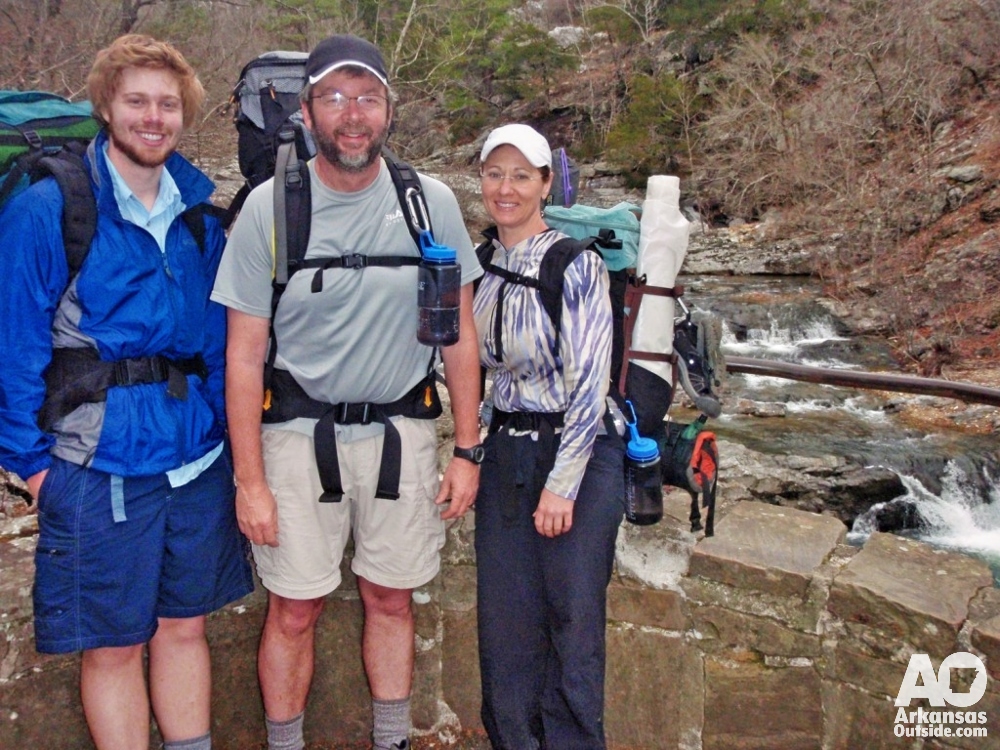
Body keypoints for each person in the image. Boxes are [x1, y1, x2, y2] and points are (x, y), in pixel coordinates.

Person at [211, 34, 483, 750]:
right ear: (307, 111)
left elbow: (458, 336)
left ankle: (391, 739)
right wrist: (250, 482)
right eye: (334, 98)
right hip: (297, 442)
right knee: (294, 609)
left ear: (390, 109)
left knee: (391, 599)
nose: (352, 115)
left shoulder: (433, 206)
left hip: (404, 433)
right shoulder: (272, 209)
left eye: (367, 97)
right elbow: (243, 357)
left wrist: (468, 449)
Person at [0, 34, 254, 750]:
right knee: (111, 645)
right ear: (106, 106)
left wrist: (224, 441)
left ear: (185, 115)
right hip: (94, 461)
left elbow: (215, 341)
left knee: (184, 627)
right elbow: (13, 343)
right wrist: (34, 465)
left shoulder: (199, 214)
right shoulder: (51, 209)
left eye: (168, 104)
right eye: (137, 100)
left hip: (194, 461)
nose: (154, 117)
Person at [472, 124, 626, 750]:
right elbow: (476, 372)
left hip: (578, 456)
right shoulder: (480, 265)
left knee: (572, 621)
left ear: (544, 185)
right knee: (505, 624)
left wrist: (562, 486)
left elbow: (590, 384)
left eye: (520, 176)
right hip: (506, 452)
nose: (505, 188)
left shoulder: (576, 264)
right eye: (493, 174)